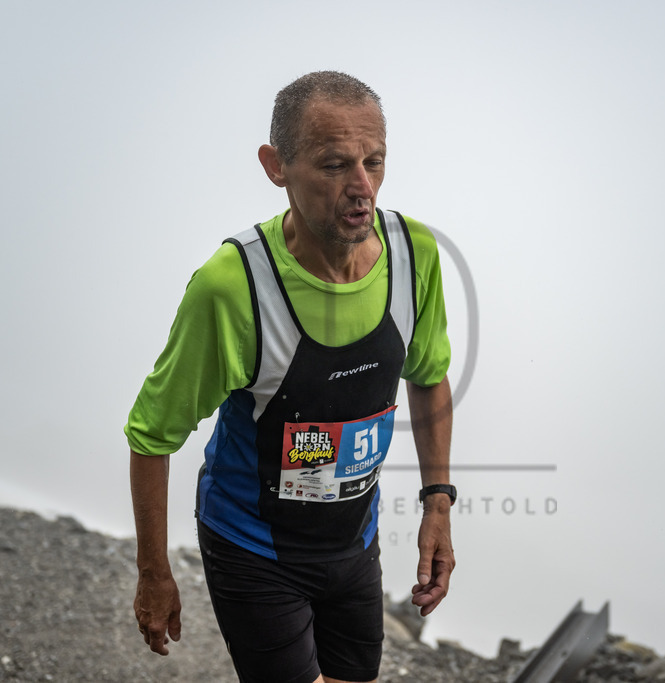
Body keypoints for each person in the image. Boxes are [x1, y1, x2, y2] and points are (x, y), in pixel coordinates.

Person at [124, 71, 455, 683]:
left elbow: (429, 376)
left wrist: (439, 504)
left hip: (353, 542)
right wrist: (153, 572)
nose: (362, 189)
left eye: (375, 162)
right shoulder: (232, 287)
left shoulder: (415, 256)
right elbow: (151, 435)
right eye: (334, 165)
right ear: (276, 166)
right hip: (251, 544)